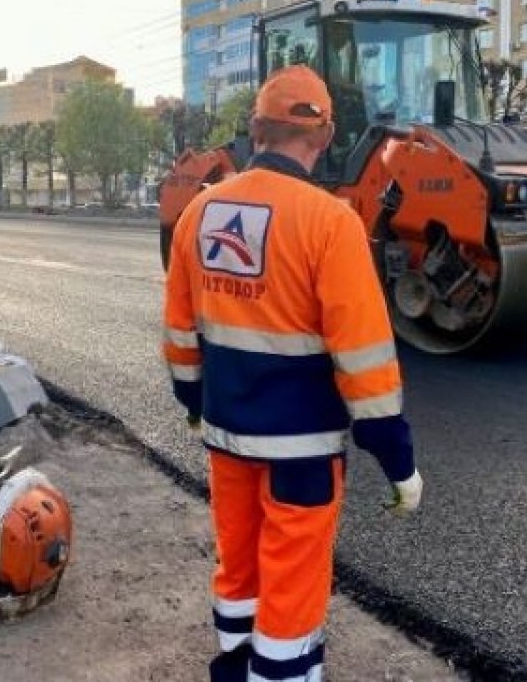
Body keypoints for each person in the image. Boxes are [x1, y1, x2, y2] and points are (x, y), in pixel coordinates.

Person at [162, 65, 423, 682]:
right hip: (302, 452)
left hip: (226, 438)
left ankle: (233, 664)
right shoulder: (330, 222)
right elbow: (365, 359)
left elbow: (178, 338)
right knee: (293, 576)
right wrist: (398, 460)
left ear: (256, 131)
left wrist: (195, 402)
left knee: (241, 564)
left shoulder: (201, 213)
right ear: (326, 134)